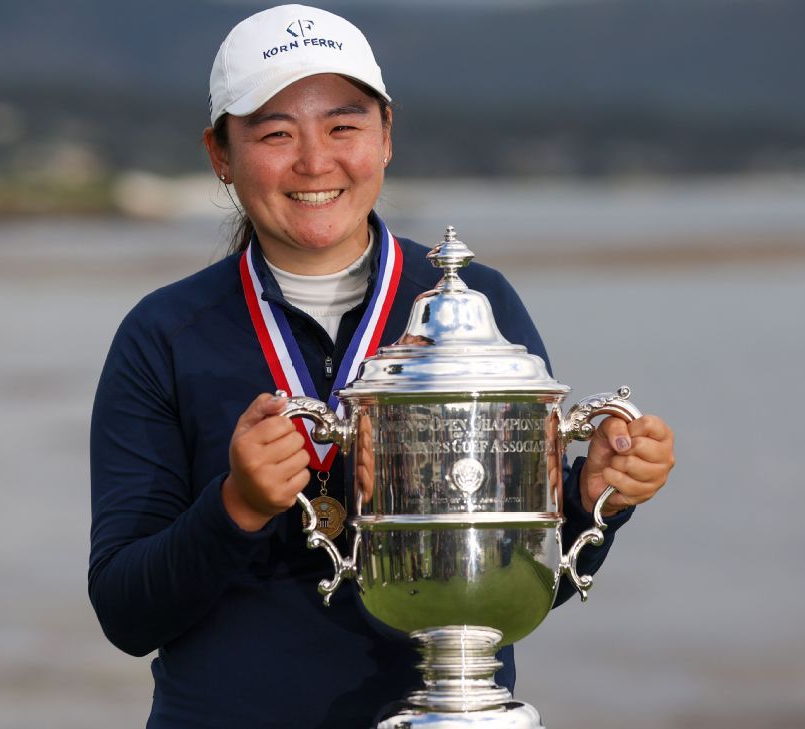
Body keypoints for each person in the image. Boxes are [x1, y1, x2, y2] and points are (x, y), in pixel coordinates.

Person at [88, 5, 676, 727]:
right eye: (276, 133)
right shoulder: (163, 336)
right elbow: (125, 614)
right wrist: (236, 505)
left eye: (344, 126)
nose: (314, 161)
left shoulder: (477, 306)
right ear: (220, 154)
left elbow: (522, 587)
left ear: (386, 136)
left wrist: (597, 498)